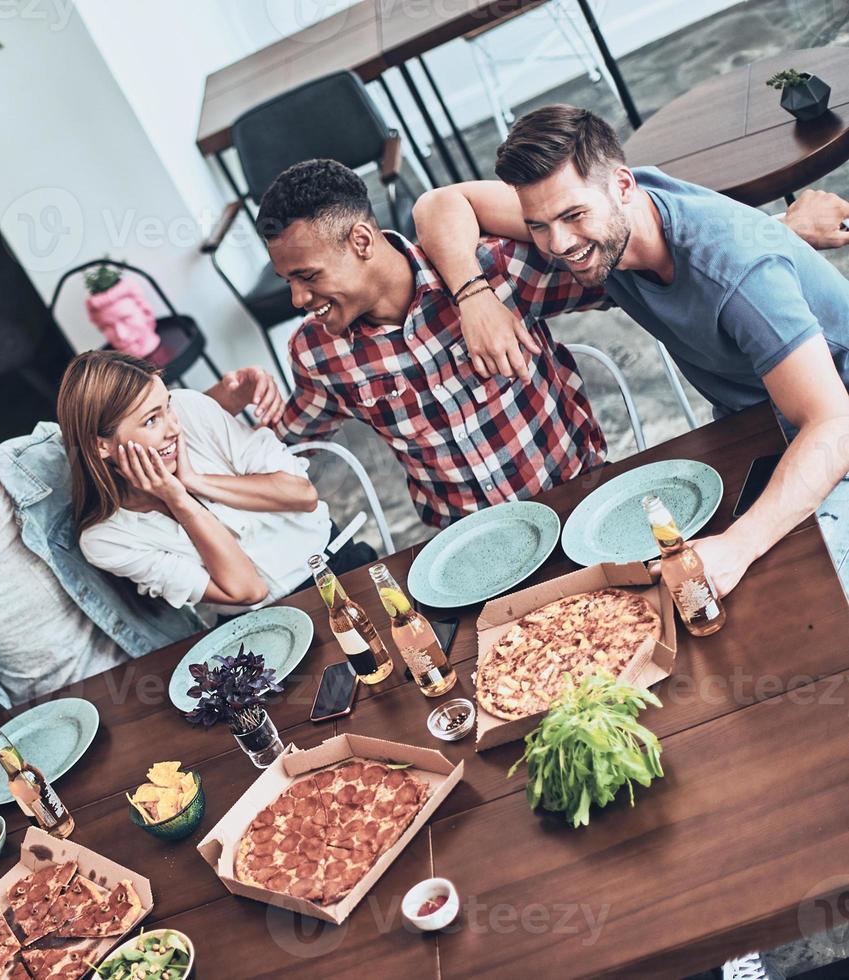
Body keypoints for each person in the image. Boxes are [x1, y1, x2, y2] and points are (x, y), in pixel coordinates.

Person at [412, 104, 849, 593]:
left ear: (623, 186)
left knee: (793, 594)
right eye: (538, 225)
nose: (557, 243)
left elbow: (834, 424)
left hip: (831, 426)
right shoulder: (590, 212)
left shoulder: (741, 271)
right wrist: (474, 297)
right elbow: (439, 202)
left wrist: (739, 545)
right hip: (754, 420)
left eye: (572, 216)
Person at [0, 368, 280, 711]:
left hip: (160, 666)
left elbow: (139, 438)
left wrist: (229, 395)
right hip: (42, 722)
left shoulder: (46, 458)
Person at [251, 158, 610, 529]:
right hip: (467, 544)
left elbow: (624, 276)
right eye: (287, 281)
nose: (297, 299)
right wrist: (228, 408)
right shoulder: (317, 352)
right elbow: (285, 447)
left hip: (578, 500)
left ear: (361, 241)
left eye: (307, 276)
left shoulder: (493, 271)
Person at [60, 350, 343, 621]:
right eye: (151, 420)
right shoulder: (106, 539)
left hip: (337, 568)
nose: (173, 428)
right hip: (259, 622)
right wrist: (178, 500)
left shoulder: (189, 410)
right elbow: (250, 591)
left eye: (167, 406)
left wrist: (195, 480)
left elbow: (303, 495)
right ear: (101, 446)